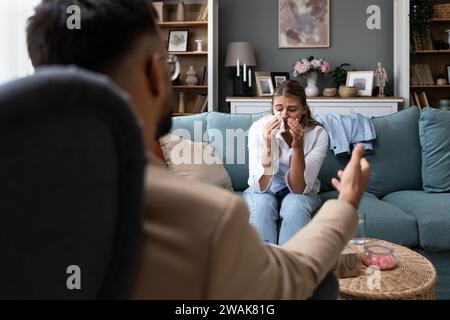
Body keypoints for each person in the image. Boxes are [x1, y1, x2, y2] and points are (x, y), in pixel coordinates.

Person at [26, 0, 371, 299]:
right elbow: (284, 286)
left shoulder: (25, 205)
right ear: (154, 73)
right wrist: (346, 204)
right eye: (166, 60)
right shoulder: (206, 219)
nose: (283, 115)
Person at [244, 80, 329, 245]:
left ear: (304, 109)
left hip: (301, 192)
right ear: (272, 108)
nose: (284, 115)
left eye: (292, 109)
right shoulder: (258, 128)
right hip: (264, 189)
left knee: (294, 205)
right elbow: (258, 186)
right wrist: (269, 146)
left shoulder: (318, 134)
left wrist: (298, 146)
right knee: (262, 205)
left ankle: (290, 265)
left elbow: (299, 189)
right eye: (279, 108)